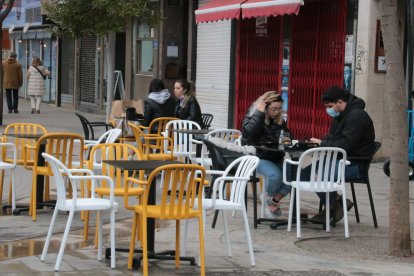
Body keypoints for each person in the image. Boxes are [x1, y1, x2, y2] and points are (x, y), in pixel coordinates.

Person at [306, 85, 375, 223]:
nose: (328, 110)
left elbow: (346, 145)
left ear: (340, 102)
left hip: (354, 165)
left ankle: (334, 206)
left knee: (318, 174)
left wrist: (322, 144)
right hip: (338, 160)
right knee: (305, 174)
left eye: (330, 106)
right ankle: (337, 204)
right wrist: (319, 143)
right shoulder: (341, 116)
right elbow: (332, 137)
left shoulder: (357, 116)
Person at [241, 91, 291, 218]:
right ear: (264, 106)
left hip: (276, 156)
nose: (277, 112)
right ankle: (268, 197)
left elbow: (287, 136)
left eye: (279, 109)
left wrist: (287, 139)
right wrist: (259, 114)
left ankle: (273, 200)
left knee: (293, 175)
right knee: (276, 175)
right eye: (274, 109)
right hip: (257, 157)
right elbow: (248, 133)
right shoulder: (253, 115)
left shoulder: (279, 120)